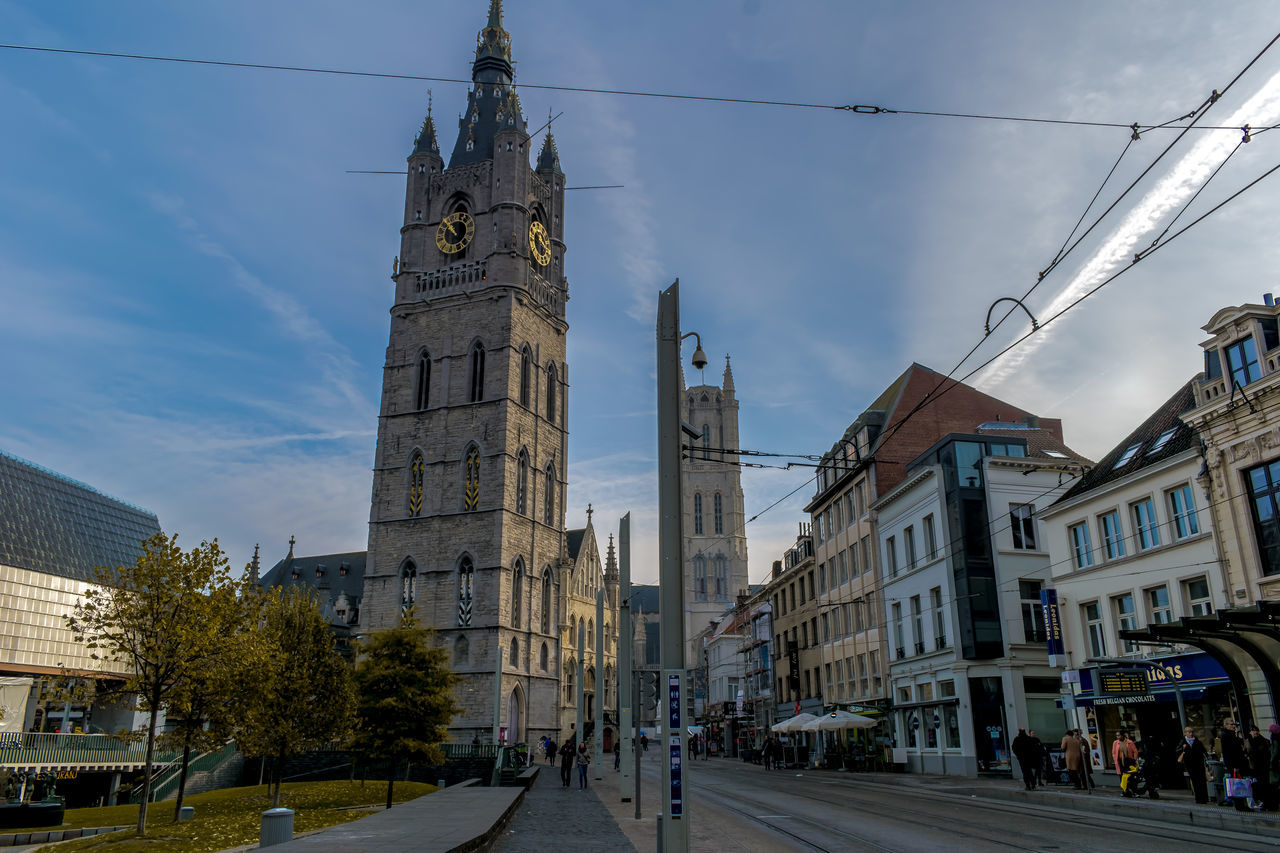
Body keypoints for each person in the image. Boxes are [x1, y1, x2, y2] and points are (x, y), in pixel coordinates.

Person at [1176, 726, 1209, 804]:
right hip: (1190, 764)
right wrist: (1183, 750)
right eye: (1188, 732)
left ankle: (1204, 798)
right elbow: (1178, 751)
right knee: (1195, 781)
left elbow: (1203, 751)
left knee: (1202, 780)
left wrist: (1206, 757)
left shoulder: (1197, 741)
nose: (1190, 734)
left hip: (1199, 763)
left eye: (1191, 732)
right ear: (1185, 733)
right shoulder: (1183, 742)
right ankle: (1198, 798)